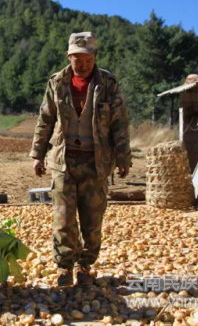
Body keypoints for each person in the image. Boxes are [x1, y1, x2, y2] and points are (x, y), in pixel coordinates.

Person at [30, 32, 131, 286]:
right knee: (63, 219)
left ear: (94, 57)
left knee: (92, 220)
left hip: (96, 163)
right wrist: (37, 155)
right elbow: (45, 120)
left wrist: (123, 157)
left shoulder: (108, 83)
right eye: (77, 59)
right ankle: (64, 267)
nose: (83, 65)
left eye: (88, 59)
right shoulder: (56, 82)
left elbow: (120, 123)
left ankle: (84, 266)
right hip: (63, 162)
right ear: (69, 57)